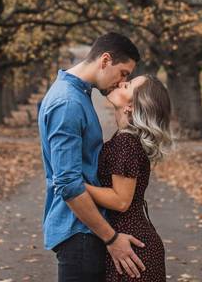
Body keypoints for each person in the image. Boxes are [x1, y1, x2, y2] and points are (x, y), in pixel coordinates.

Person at [39, 33, 146, 281]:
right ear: (105, 60)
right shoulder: (68, 102)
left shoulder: (77, 94)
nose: (122, 81)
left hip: (84, 232)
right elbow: (68, 184)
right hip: (82, 235)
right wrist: (111, 238)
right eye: (123, 73)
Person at [85, 75, 173, 282]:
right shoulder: (123, 137)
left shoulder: (126, 142)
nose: (122, 82)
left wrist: (75, 186)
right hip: (129, 240)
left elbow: (121, 201)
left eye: (129, 85)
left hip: (131, 246)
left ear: (132, 106)